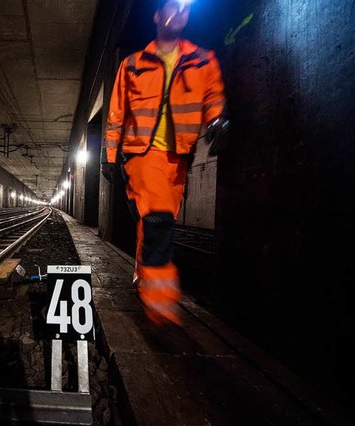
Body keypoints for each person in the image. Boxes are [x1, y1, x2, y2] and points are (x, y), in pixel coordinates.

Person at [101, 0, 228, 326]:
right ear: (157, 16)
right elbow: (116, 114)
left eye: (184, 9)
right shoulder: (132, 64)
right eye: (171, 6)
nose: (177, 12)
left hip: (178, 157)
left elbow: (213, 97)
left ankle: (142, 275)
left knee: (156, 220)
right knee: (159, 221)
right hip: (142, 153)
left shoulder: (203, 61)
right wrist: (111, 155)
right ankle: (159, 305)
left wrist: (216, 120)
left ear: (187, 18)